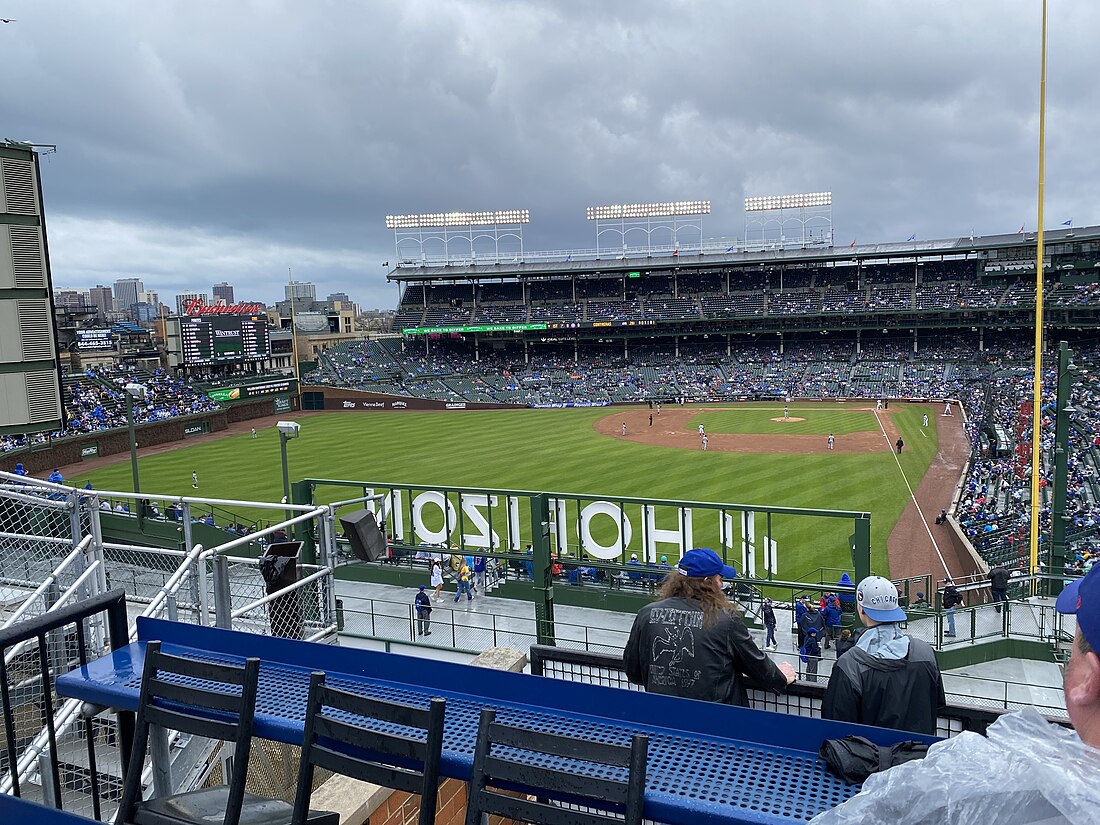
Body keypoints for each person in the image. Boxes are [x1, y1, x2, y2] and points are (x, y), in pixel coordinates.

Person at [623, 548, 795, 705]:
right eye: (719, 579)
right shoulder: (726, 620)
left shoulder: (646, 614)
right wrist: (780, 677)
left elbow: (633, 672)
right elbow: (757, 666)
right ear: (707, 582)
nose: (721, 585)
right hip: (718, 724)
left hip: (663, 720)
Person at [821, 575, 945, 735]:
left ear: (862, 609)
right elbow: (937, 705)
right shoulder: (926, 652)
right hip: (919, 756)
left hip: (868, 758)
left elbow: (835, 725)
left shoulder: (848, 664)